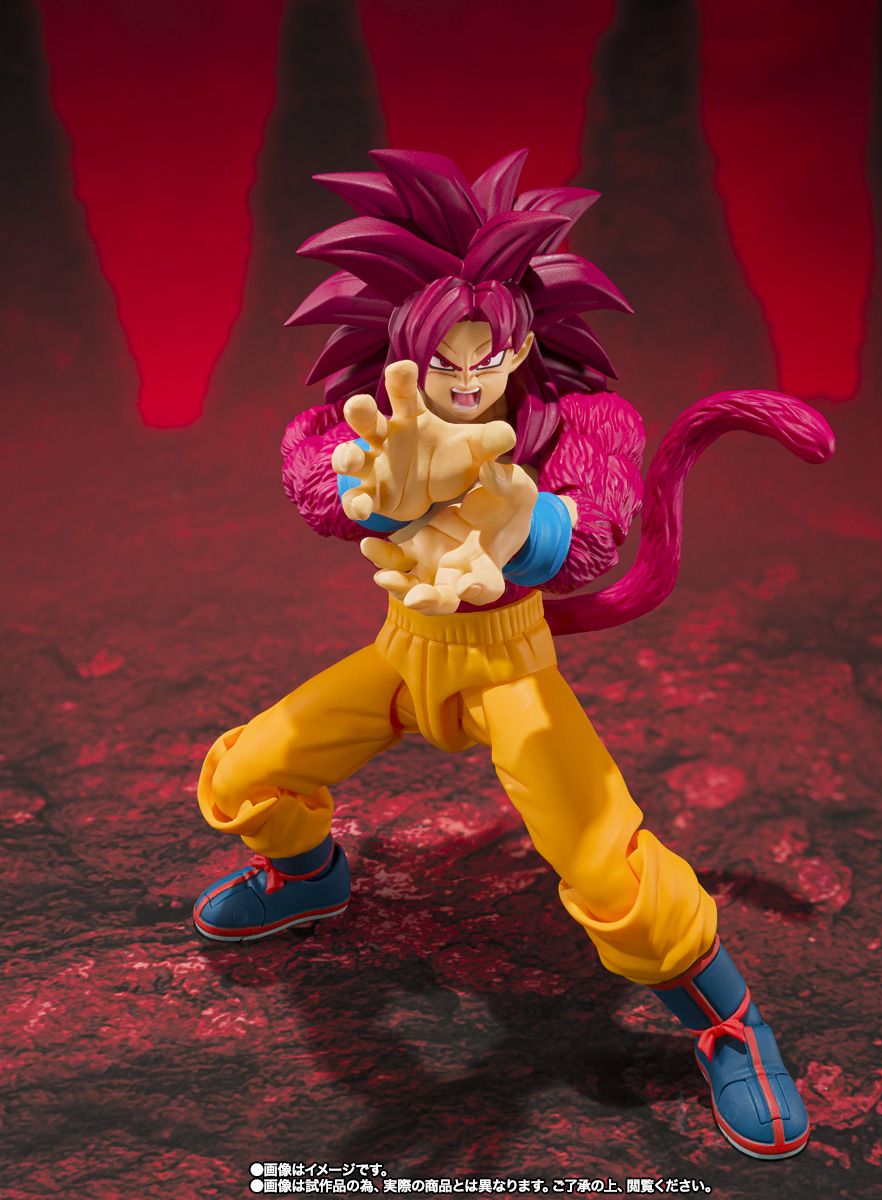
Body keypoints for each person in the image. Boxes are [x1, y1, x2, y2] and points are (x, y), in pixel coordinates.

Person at [192, 149, 835, 1159]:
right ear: (400, 350)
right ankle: (307, 874)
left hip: (510, 672)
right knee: (245, 772)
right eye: (440, 362)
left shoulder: (582, 421)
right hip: (403, 656)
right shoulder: (368, 417)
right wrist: (381, 488)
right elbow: (319, 482)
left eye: (483, 356)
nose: (465, 380)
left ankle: (731, 1023)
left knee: (610, 874)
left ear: (524, 339)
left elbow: (596, 535)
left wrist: (518, 521)